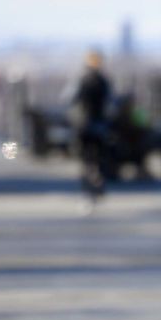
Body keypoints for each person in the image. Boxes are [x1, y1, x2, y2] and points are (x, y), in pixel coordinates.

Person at [68, 50, 113, 207]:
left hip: (85, 126)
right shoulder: (103, 81)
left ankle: (88, 189)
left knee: (86, 159)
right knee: (98, 158)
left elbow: (70, 98)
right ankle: (97, 185)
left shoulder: (81, 80)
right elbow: (110, 103)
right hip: (99, 126)